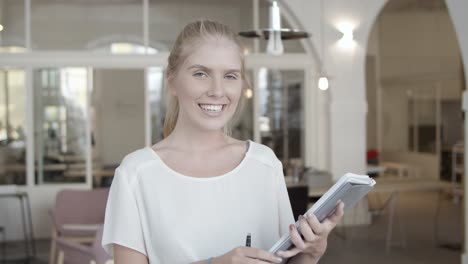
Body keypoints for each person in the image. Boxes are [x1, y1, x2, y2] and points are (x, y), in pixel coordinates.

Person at [101, 19, 344, 264]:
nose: (217, 91)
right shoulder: (135, 173)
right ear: (172, 81)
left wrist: (311, 253)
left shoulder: (264, 164)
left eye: (230, 76)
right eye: (201, 73)